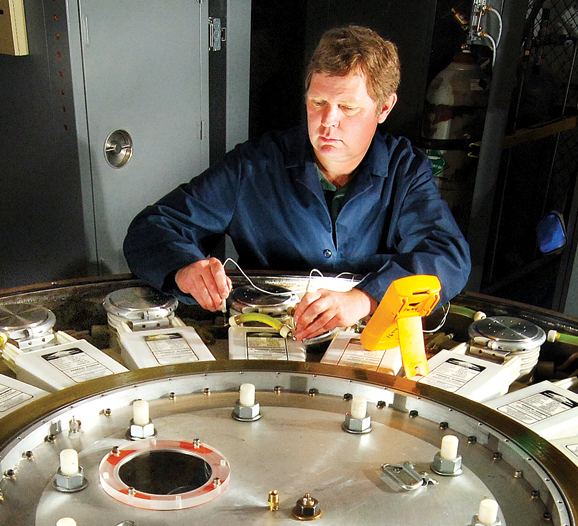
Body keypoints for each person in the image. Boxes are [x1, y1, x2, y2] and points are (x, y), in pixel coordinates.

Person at [124, 25, 471, 342]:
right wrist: (185, 269)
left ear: (384, 108)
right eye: (318, 103)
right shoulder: (253, 166)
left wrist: (364, 297)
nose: (327, 123)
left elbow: (447, 256)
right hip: (266, 338)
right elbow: (151, 228)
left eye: (347, 108)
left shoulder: (405, 171)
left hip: (368, 345)